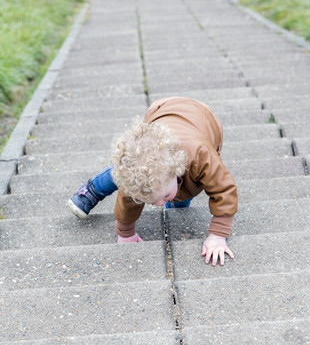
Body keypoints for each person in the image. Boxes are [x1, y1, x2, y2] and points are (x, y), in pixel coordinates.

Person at [68, 97, 238, 266]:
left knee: (187, 186)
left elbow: (224, 189)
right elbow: (129, 199)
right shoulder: (150, 184)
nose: (158, 204)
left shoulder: (201, 155)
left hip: (203, 117)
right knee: (131, 169)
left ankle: (176, 202)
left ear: (177, 169)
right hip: (160, 113)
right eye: (150, 201)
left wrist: (218, 235)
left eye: (163, 196)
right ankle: (93, 189)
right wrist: (126, 233)